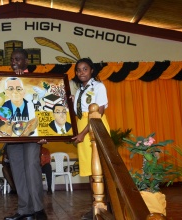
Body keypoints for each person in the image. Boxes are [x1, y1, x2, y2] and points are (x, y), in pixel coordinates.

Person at [4, 49, 48, 220]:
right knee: (18, 171)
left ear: (26, 62)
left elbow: (44, 107)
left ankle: (38, 210)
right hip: (12, 135)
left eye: (18, 59)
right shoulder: (4, 82)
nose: (14, 62)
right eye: (12, 59)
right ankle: (24, 211)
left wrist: (46, 133)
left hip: (32, 134)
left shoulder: (35, 82)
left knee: (31, 168)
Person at [70, 58, 110, 220]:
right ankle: (95, 206)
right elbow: (78, 114)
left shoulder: (99, 87)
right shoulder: (79, 90)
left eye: (85, 69)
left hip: (94, 129)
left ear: (91, 70)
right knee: (90, 171)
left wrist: (83, 133)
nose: (81, 73)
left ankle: (106, 206)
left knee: (100, 171)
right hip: (83, 129)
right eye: (78, 70)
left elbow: (98, 114)